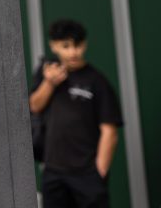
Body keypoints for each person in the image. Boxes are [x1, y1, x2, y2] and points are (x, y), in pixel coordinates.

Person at [29, 18, 122, 208]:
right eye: (66, 46)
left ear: (84, 45)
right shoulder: (47, 73)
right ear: (53, 46)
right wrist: (49, 83)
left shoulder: (97, 81)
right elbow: (34, 106)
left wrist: (99, 172)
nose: (73, 52)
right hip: (53, 172)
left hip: (87, 173)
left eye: (77, 45)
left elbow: (109, 131)